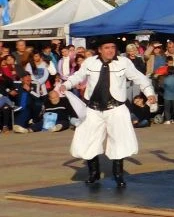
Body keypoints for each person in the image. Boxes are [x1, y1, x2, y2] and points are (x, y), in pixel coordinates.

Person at [58, 36, 156, 187]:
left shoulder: (124, 62)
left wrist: (149, 93)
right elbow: (78, 76)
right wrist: (67, 84)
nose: (110, 50)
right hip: (93, 108)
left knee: (119, 140)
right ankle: (93, 173)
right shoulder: (90, 62)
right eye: (106, 48)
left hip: (115, 108)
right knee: (88, 139)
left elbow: (140, 78)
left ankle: (118, 174)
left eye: (112, 47)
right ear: (99, 50)